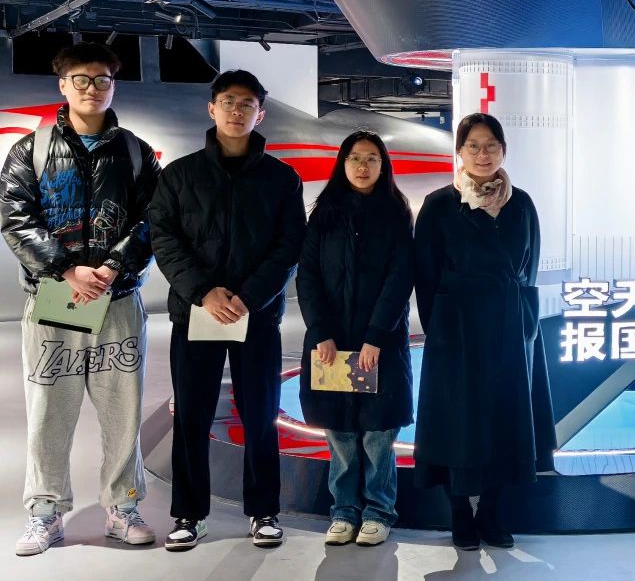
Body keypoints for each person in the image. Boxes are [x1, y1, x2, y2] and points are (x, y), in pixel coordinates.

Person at [1, 42, 163, 556]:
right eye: (81, 79)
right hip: (53, 299)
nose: (92, 88)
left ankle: (123, 506)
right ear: (63, 85)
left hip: (118, 301)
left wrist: (113, 267)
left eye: (102, 79)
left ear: (113, 85)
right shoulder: (30, 150)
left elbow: (154, 219)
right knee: (49, 409)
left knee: (123, 411)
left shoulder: (136, 152)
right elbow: (15, 217)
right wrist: (67, 269)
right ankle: (45, 512)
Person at [148, 70, 306, 551]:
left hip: (255, 315)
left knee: (260, 414)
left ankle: (263, 511)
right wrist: (203, 292)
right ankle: (188, 514)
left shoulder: (281, 178)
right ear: (212, 109)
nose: (237, 111)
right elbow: (164, 238)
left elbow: (289, 245)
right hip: (195, 313)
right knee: (191, 415)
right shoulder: (180, 175)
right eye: (229, 102)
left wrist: (249, 296)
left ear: (261, 113)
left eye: (247, 104)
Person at [414, 113, 555, 551]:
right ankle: (459, 512)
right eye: (473, 146)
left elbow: (530, 268)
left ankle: (491, 512)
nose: (482, 154)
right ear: (459, 151)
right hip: (456, 329)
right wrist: (439, 328)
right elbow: (425, 274)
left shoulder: (521, 203)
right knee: (456, 422)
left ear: (503, 150)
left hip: (510, 327)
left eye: (491, 145)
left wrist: (525, 323)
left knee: (506, 419)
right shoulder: (440, 204)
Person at [296, 131, 414, 548]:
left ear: (384, 166)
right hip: (332, 342)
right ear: (342, 163)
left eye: (372, 159)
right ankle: (344, 510)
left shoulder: (396, 214)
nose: (363, 166)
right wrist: (320, 332)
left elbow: (400, 279)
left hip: (379, 342)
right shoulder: (323, 213)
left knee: (378, 433)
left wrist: (376, 336)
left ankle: (379, 511)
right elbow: (307, 275)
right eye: (355, 158)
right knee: (341, 433)